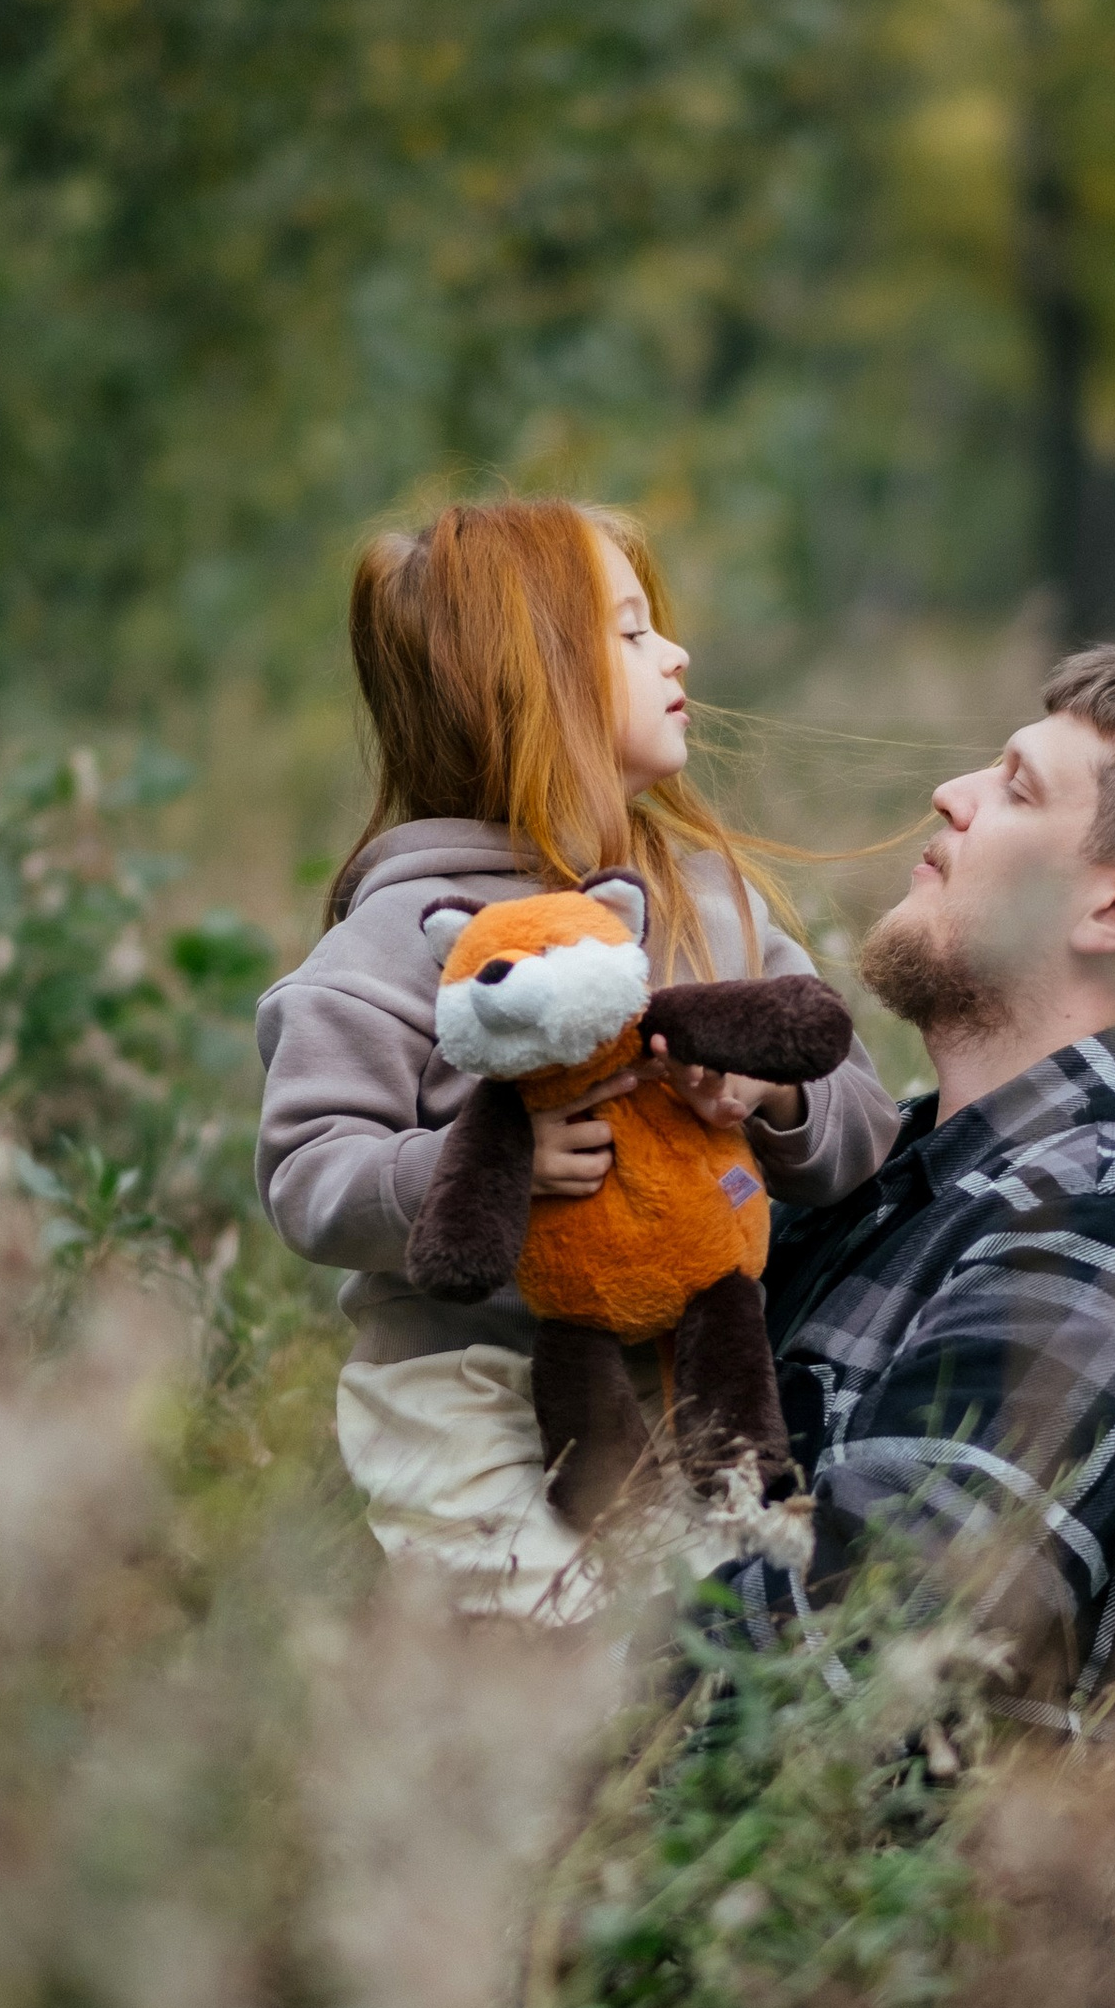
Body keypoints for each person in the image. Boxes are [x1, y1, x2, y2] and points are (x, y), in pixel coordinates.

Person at [257, 497, 900, 1612]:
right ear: (523, 683)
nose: (677, 653)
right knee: (539, 1644)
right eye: (634, 632)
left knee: (709, 1650)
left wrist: (771, 1098)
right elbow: (308, 1175)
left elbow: (861, 1115)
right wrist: (478, 1167)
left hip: (685, 1376)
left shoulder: (710, 905)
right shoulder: (396, 943)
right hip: (461, 1389)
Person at [733, 645, 1115, 1713]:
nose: (949, 794)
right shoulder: (898, 1165)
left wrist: (497, 1666)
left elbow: (841, 1664)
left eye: (1014, 789)